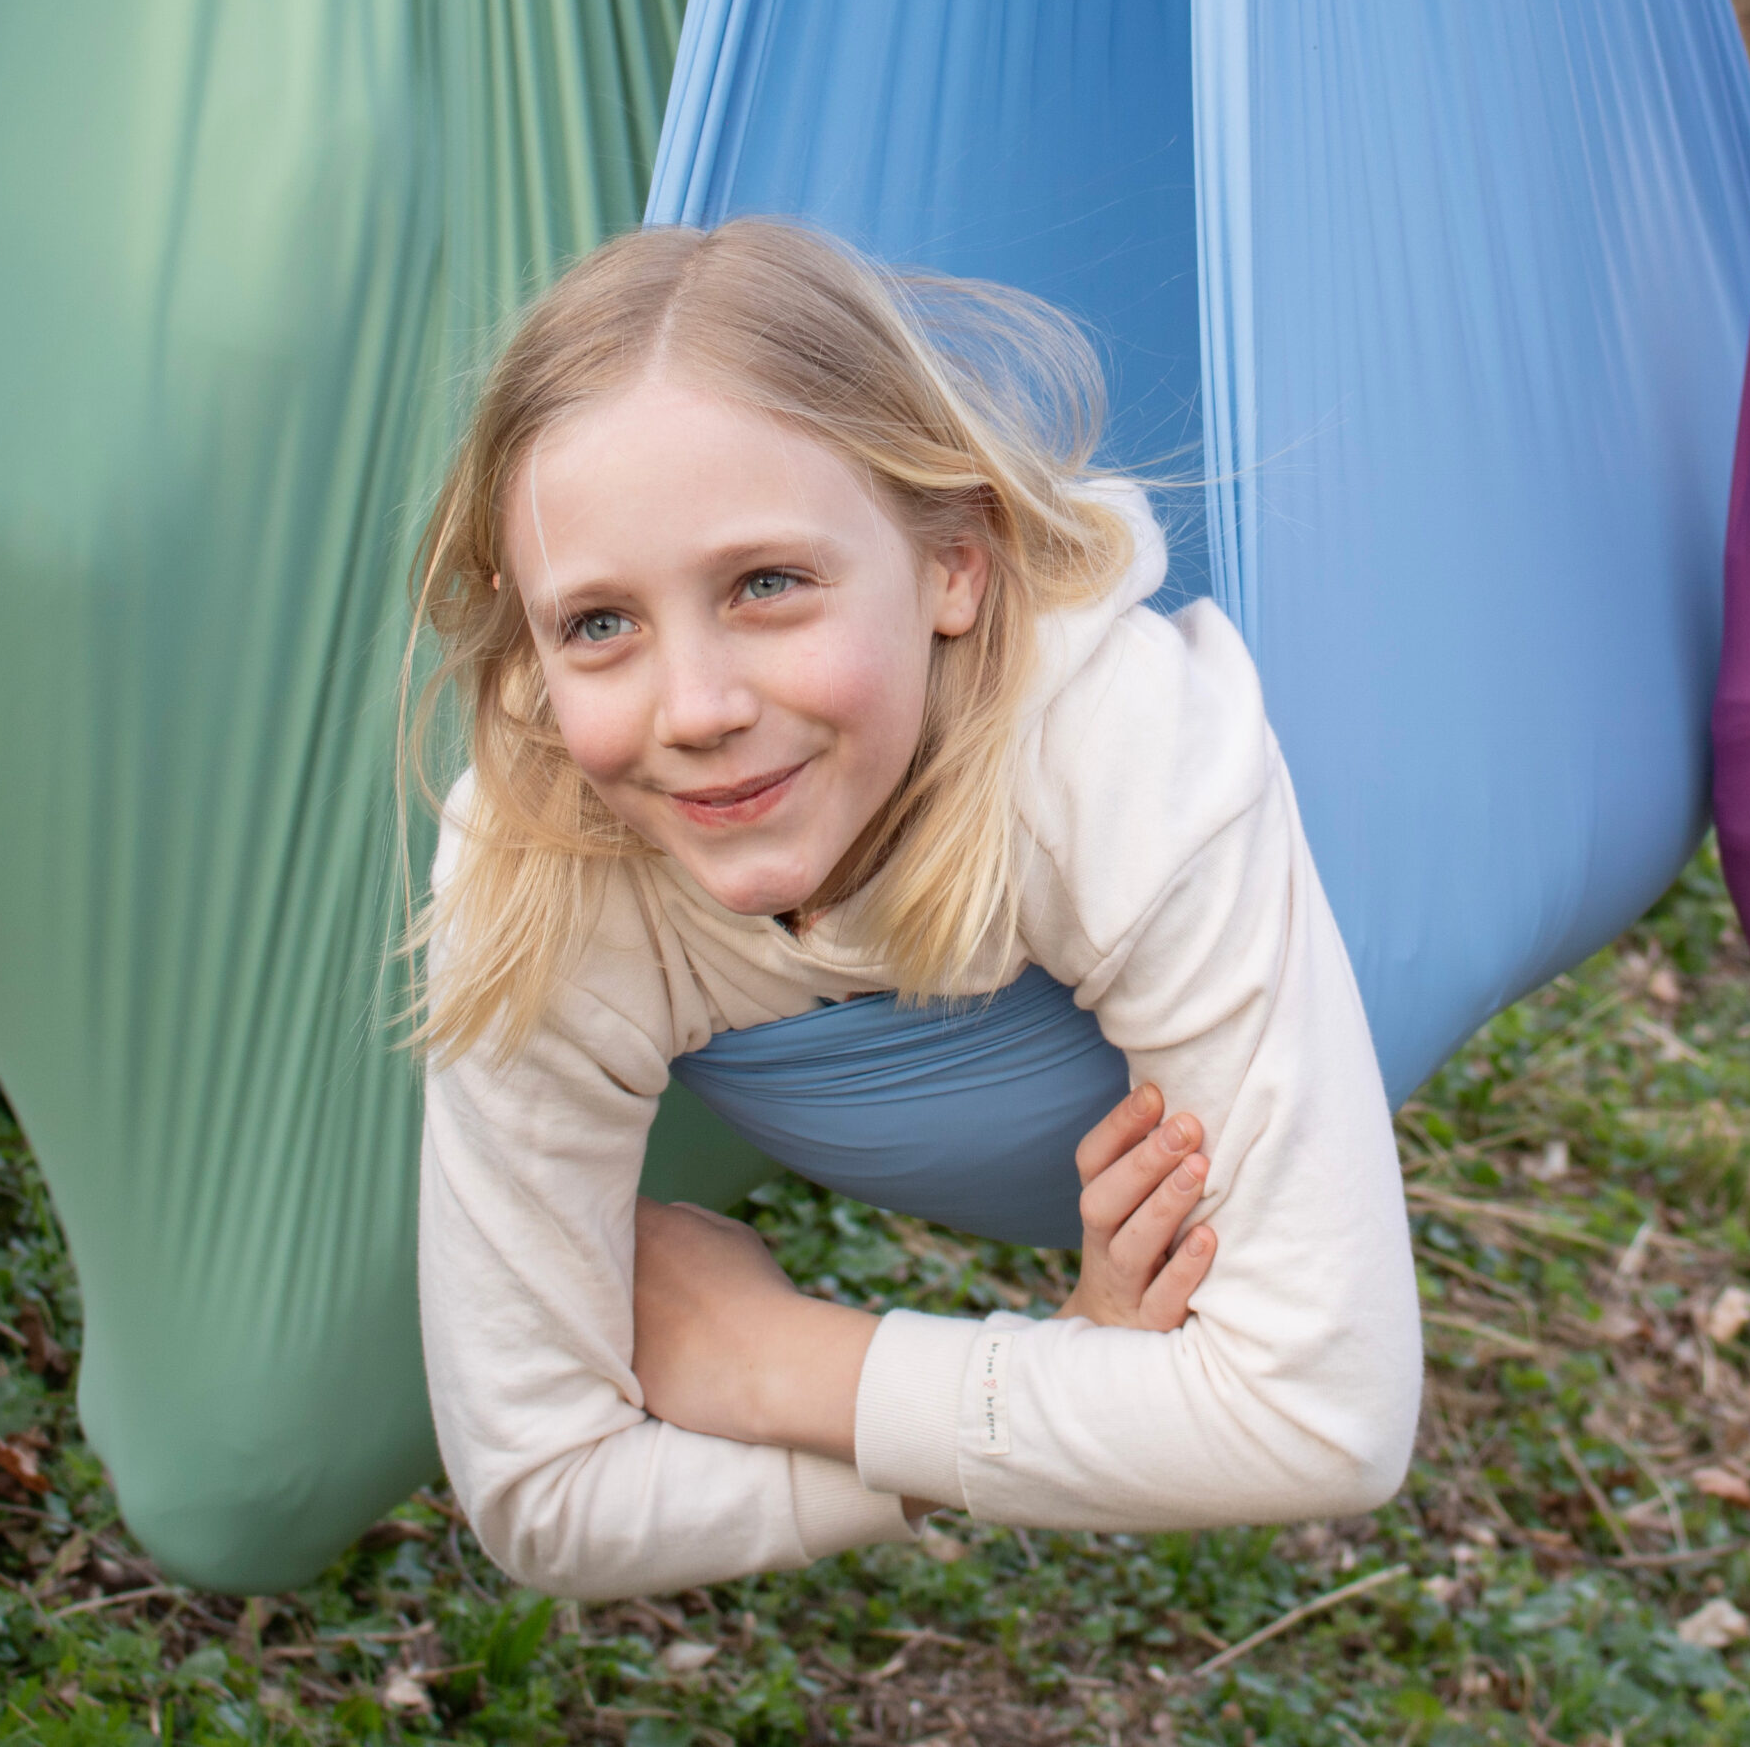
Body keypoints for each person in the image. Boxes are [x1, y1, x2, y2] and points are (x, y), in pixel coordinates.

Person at [406, 220, 1419, 1601]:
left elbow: (1325, 1416)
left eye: (767, 585)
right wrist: (1070, 1378)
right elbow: (548, 1498)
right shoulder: (536, 862)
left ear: (956, 563)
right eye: (598, 625)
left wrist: (787, 1366)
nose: (696, 710)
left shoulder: (1116, 743)